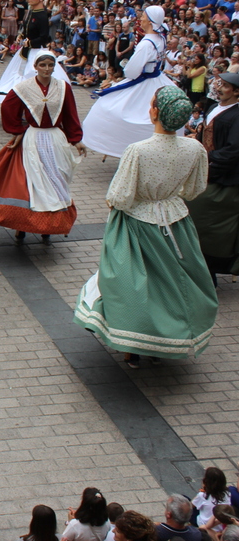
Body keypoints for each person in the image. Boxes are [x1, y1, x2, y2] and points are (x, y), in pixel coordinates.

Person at [75, 86, 215, 367]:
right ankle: (166, 338)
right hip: (176, 221)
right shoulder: (194, 148)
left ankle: (134, 343)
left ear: (155, 113)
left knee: (132, 283)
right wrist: (169, 196)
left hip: (138, 223)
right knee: (173, 281)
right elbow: (194, 189)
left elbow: (120, 197)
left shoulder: (138, 150)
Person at [0, 53, 86, 243]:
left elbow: (70, 113)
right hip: (33, 138)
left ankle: (49, 226)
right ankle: (21, 225)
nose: (47, 69)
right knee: (32, 182)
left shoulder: (63, 87)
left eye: (50, 65)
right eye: (43, 65)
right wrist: (17, 130)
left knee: (55, 180)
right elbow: (8, 107)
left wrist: (76, 139)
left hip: (55, 138)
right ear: (35, 66)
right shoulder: (24, 87)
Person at [82, 6, 177, 159]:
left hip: (145, 81)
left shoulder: (147, 43)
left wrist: (127, 68)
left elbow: (131, 71)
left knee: (108, 108)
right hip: (158, 80)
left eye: (144, 16)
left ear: (150, 21)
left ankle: (123, 147)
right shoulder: (161, 38)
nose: (141, 19)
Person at [185, 71, 239, 279]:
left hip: (223, 179)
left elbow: (233, 151)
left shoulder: (236, 116)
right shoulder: (214, 107)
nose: (219, 88)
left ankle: (209, 272)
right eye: (219, 83)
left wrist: (207, 158)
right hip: (205, 172)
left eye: (225, 86)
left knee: (207, 224)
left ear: (236, 92)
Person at [0, 0, 70, 103]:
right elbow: (27, 28)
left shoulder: (42, 16)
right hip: (25, 51)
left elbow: (44, 37)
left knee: (32, 73)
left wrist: (30, 42)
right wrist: (22, 35)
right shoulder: (31, 12)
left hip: (36, 51)